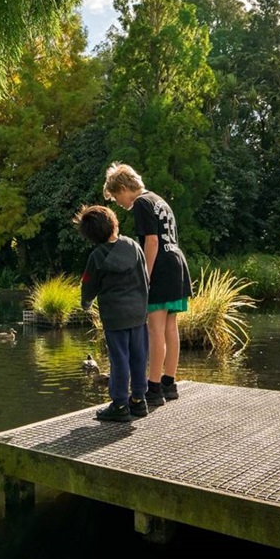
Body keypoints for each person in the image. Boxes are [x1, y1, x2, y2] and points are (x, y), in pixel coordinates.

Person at [103, 162, 192, 406]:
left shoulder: (141, 203)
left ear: (123, 187)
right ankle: (168, 383)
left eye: (117, 197)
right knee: (170, 328)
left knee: (155, 329)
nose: (119, 203)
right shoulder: (159, 200)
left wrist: (145, 276)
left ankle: (153, 389)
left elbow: (151, 242)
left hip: (161, 267)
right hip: (177, 264)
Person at [74, 205, 150, 422]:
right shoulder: (134, 247)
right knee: (139, 357)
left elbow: (88, 285)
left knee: (119, 360)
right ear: (114, 223)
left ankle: (119, 404)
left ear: (90, 236)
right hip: (138, 314)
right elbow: (145, 278)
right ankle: (138, 400)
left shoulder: (97, 257)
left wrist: (86, 303)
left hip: (115, 317)